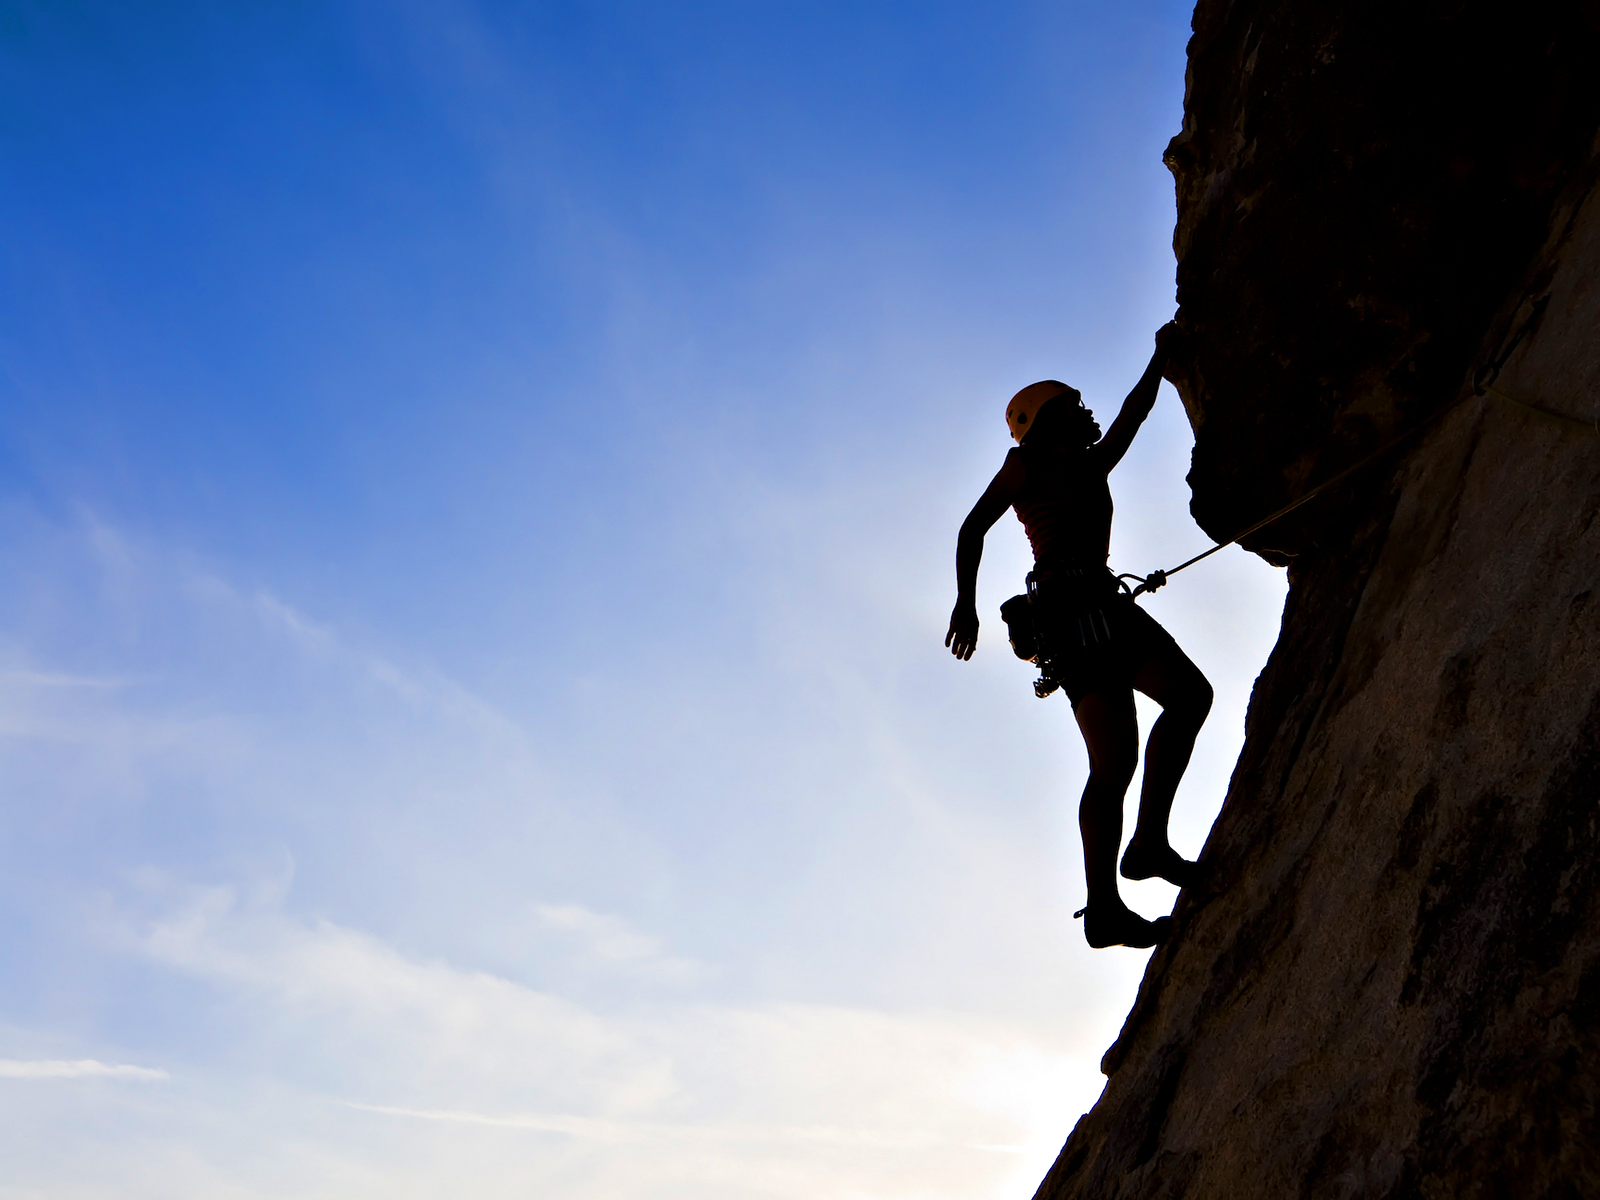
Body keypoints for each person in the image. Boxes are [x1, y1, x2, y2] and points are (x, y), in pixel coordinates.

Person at [945, 324, 1213, 949]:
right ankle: (1106, 904)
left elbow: (1133, 414)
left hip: (1096, 603)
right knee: (1118, 757)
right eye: (1070, 405)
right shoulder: (1025, 465)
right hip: (1075, 608)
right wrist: (966, 604)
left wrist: (1160, 361)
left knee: (1184, 702)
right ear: (1046, 419)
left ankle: (1145, 847)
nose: (1083, 412)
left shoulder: (1090, 462)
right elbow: (972, 527)